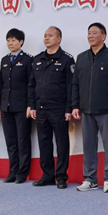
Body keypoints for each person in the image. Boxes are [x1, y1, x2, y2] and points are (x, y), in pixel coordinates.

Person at [72, 22, 108, 193]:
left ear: (103, 36)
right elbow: (75, 84)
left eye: (95, 33)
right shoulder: (81, 57)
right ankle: (90, 179)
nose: (91, 36)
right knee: (88, 146)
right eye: (89, 33)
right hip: (86, 110)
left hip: (107, 111)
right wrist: (75, 105)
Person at [28, 26, 74, 189]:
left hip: (59, 109)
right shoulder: (37, 59)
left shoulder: (67, 59)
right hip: (41, 109)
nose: (46, 38)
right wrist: (32, 105)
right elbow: (32, 85)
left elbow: (70, 86)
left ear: (59, 39)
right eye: (45, 35)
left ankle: (61, 176)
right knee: (44, 143)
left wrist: (68, 108)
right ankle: (47, 176)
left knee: (62, 144)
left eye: (50, 36)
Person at [0, 28, 33, 184]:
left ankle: (22, 173)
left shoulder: (28, 60)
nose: (10, 43)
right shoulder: (4, 60)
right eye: (8, 40)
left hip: (22, 107)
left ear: (21, 42)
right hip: (6, 106)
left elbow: (31, 84)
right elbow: (1, 85)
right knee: (10, 141)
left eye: (13, 40)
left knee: (22, 141)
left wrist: (30, 105)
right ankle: (13, 171)